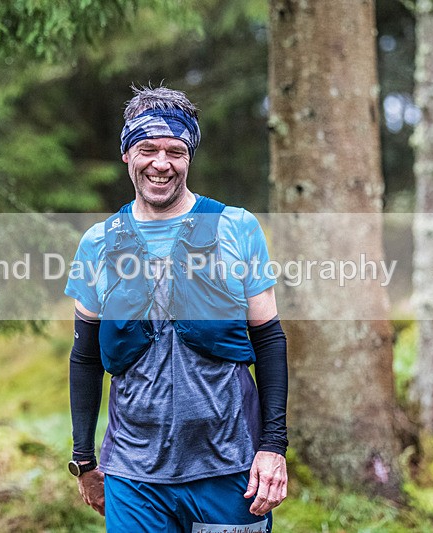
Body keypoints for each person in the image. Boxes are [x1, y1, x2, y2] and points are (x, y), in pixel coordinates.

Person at [65, 85, 289, 533]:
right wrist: (84, 460)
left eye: (176, 150)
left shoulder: (236, 227)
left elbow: (269, 339)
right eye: (148, 148)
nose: (161, 163)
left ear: (190, 157)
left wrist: (273, 447)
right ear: (127, 154)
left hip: (230, 468)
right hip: (133, 475)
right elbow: (85, 356)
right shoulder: (98, 243)